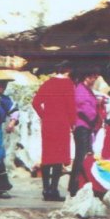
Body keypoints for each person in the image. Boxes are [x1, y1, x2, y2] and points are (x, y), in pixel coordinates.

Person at [31, 60, 76, 201]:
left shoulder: (47, 83)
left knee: (47, 156)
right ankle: (54, 189)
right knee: (58, 157)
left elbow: (36, 102)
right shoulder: (68, 84)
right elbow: (71, 106)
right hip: (62, 123)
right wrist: (73, 123)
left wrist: (44, 116)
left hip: (48, 124)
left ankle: (45, 189)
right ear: (68, 70)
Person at [68, 65, 101, 197]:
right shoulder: (81, 89)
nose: (95, 80)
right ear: (88, 77)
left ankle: (80, 183)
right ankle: (75, 185)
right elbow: (83, 108)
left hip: (87, 126)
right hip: (82, 126)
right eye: (94, 77)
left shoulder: (87, 90)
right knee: (81, 155)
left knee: (84, 154)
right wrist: (94, 114)